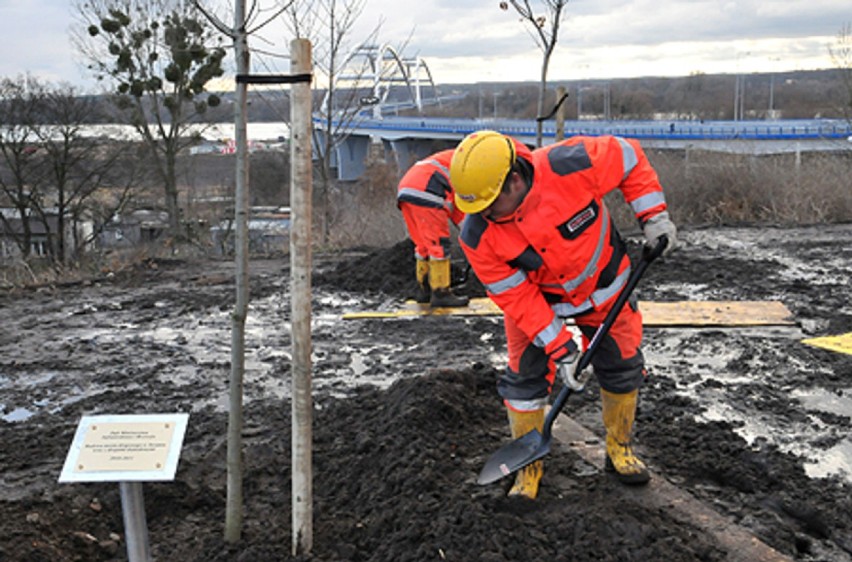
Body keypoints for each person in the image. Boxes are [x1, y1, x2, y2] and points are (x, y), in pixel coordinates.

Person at [449, 130, 677, 499]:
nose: (484, 215)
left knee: (622, 368)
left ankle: (619, 448)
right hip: (539, 305)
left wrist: (653, 217)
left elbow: (629, 156)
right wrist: (562, 349)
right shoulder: (476, 234)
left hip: (604, 290)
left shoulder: (572, 163)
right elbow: (517, 298)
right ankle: (529, 469)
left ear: (515, 180)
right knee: (523, 381)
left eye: (491, 204)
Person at [397, 149, 470, 308]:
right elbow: (462, 207)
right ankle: (441, 293)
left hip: (407, 190)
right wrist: (473, 235)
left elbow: (459, 208)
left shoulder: (454, 157)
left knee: (423, 245)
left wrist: (468, 230)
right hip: (428, 192)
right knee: (439, 246)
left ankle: (424, 291)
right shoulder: (471, 168)